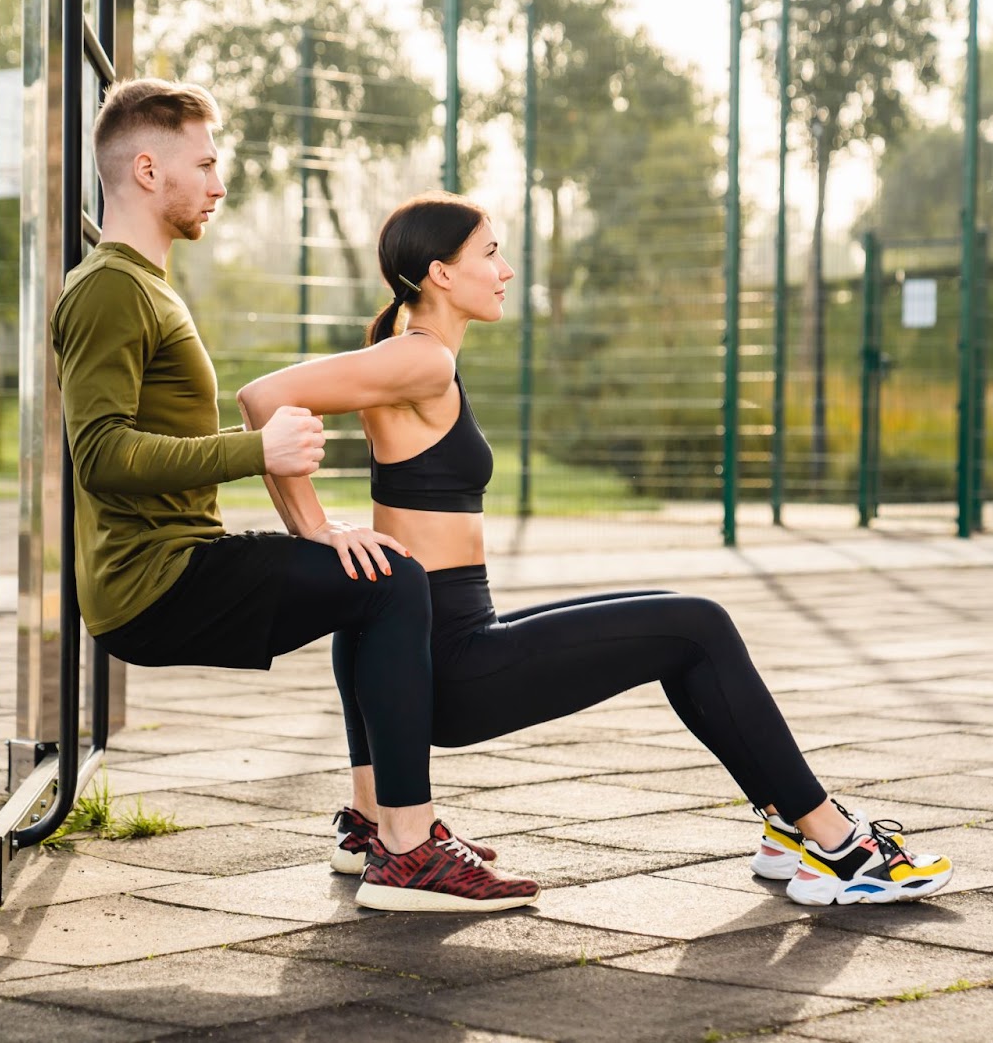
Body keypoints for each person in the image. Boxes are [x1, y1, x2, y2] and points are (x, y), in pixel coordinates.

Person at [237, 192, 953, 907]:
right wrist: (319, 530)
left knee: (680, 616)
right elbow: (264, 397)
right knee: (697, 626)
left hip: (432, 655)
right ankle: (838, 844)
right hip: (453, 666)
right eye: (489, 253)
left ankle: (373, 823)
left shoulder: (403, 344)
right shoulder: (420, 360)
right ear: (440, 275)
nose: (507, 269)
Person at [52, 79, 538, 913]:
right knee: (395, 584)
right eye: (204, 163)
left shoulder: (145, 283)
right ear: (144, 169)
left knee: (371, 577)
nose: (219, 182)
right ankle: (410, 847)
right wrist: (257, 452)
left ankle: (370, 824)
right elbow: (97, 455)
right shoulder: (110, 288)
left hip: (174, 561)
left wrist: (314, 528)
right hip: (154, 581)